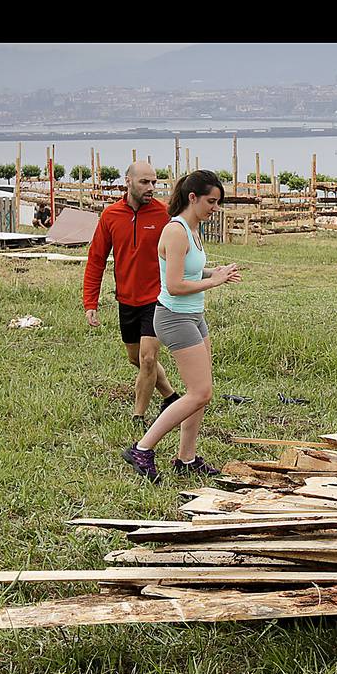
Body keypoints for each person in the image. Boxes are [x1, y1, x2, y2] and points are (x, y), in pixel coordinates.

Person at [122, 170, 241, 483]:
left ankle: (186, 458)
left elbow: (192, 270)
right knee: (199, 393)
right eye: (211, 201)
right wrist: (213, 282)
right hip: (174, 318)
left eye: (218, 202)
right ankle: (142, 448)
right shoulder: (175, 231)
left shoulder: (194, 229)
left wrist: (217, 271)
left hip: (194, 316)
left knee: (201, 393)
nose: (215, 207)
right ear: (193, 197)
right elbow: (174, 285)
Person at [82, 162, 182, 428]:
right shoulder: (111, 216)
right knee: (135, 358)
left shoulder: (164, 215)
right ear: (128, 181)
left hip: (157, 298)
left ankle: (138, 418)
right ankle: (170, 396)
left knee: (149, 358)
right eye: (145, 182)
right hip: (126, 299)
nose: (151, 188)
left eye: (154, 182)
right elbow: (96, 260)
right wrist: (90, 302)